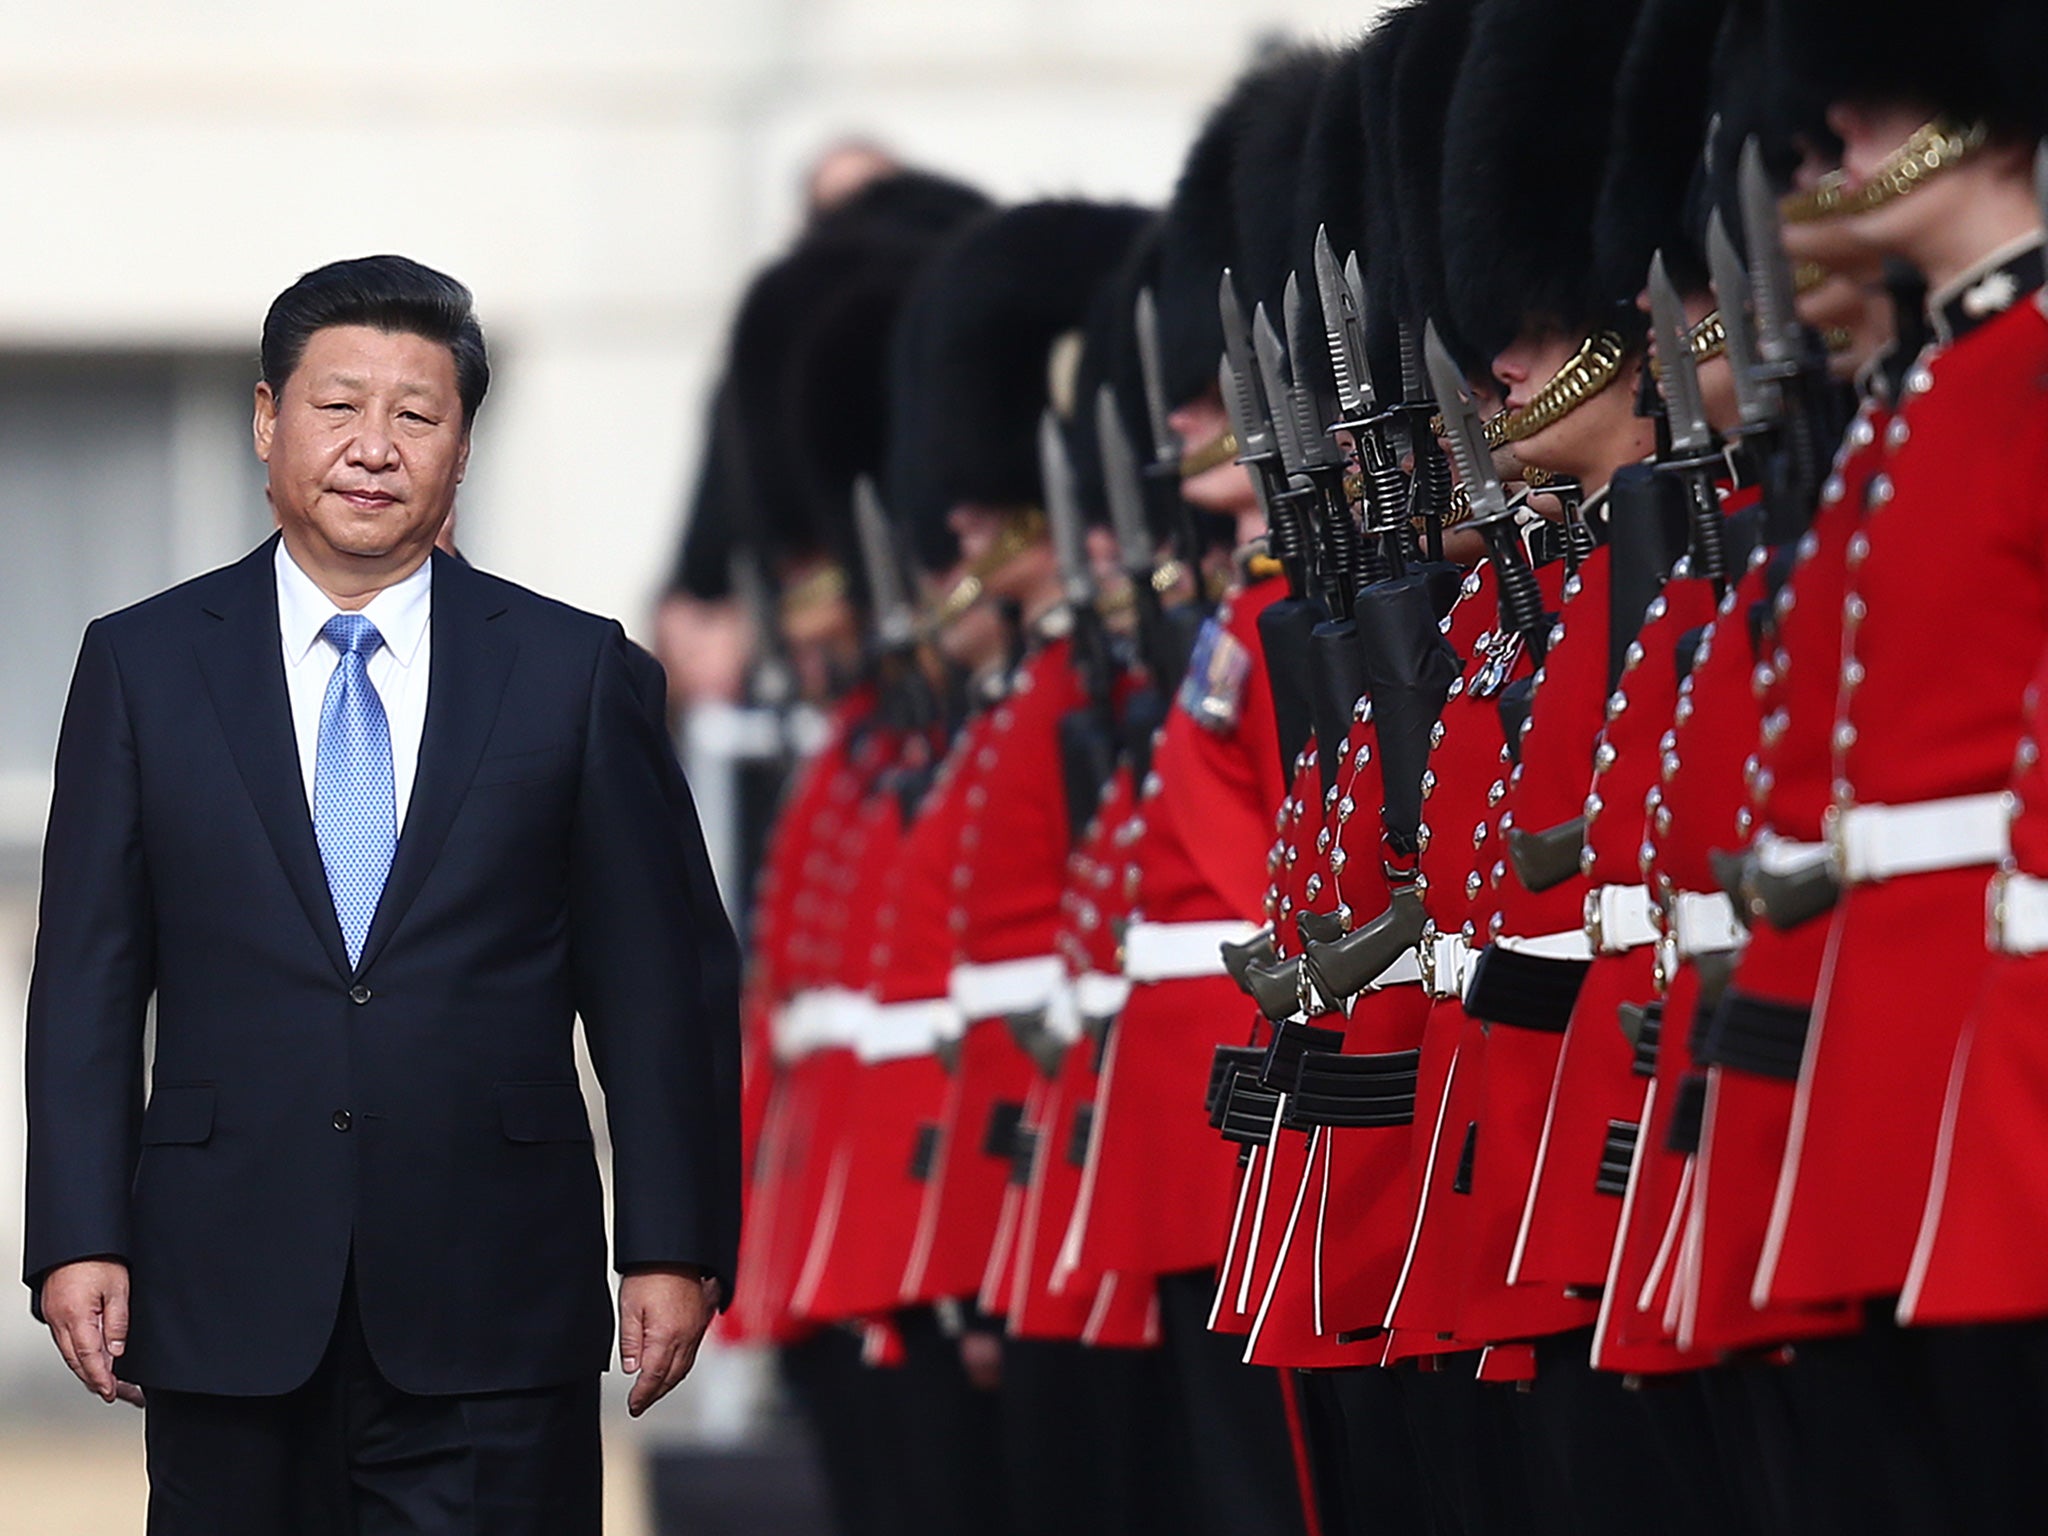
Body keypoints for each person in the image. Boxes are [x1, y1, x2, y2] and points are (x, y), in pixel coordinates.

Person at [22, 254, 740, 1536]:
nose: (373, 447)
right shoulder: (141, 664)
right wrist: (76, 1233)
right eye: (337, 406)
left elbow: (661, 986)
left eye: (416, 415)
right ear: (264, 420)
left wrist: (672, 1242)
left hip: (495, 1298)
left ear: (462, 447)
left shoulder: (572, 673)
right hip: (223, 1284)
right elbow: (83, 978)